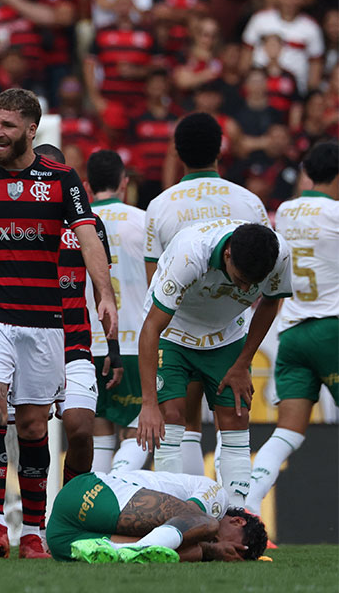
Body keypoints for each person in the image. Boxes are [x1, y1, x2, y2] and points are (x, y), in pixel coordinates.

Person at [0, 88, 117, 559]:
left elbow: (89, 237)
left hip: (45, 320)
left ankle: (33, 531)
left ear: (30, 130)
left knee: (34, 426)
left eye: (6, 126)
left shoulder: (62, 179)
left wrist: (105, 293)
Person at [144, 112, 270, 477]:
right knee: (230, 419)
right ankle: (230, 518)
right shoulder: (250, 203)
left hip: (175, 330)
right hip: (228, 331)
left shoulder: (160, 205)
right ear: (221, 149)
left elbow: (156, 283)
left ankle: (187, 520)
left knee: (177, 419)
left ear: (176, 152)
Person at [137, 220, 293, 510]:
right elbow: (151, 328)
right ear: (228, 254)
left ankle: (237, 515)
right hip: (174, 330)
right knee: (170, 413)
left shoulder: (280, 254)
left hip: (226, 333)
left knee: (236, 415)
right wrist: (148, 403)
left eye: (252, 284)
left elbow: (271, 302)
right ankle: (173, 512)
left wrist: (243, 362)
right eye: (241, 278)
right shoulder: (189, 254)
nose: (246, 288)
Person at [246, 142, 339, 515]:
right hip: (332, 327)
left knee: (287, 432)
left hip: (293, 332)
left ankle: (249, 507)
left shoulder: (285, 211)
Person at [35, 143, 116, 494]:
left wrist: (111, 343)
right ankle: (33, 522)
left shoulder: (89, 224)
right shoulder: (14, 220)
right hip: (30, 340)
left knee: (82, 430)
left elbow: (103, 288)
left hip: (75, 342)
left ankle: (70, 510)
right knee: (31, 433)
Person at [85, 151, 149, 474]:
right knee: (140, 428)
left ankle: (96, 504)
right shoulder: (143, 221)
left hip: (88, 343)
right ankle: (120, 495)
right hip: (136, 342)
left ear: (85, 185)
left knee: (99, 427)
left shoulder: (75, 225)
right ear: (124, 183)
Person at [47, 470, 268, 562]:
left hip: (63, 539)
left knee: (187, 550)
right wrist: (210, 546)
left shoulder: (197, 547)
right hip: (90, 493)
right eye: (232, 546)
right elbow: (186, 518)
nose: (225, 549)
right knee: (203, 523)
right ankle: (136, 550)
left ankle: (124, 551)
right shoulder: (217, 497)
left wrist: (209, 551)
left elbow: (170, 545)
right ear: (238, 521)